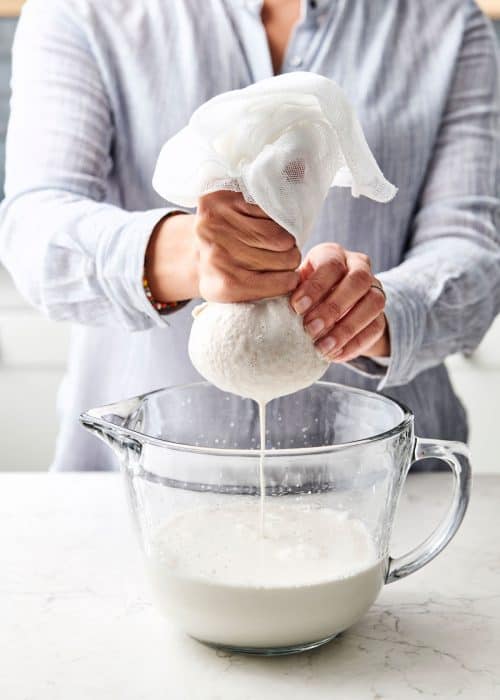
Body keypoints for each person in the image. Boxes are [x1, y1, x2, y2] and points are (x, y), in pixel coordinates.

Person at [0, 0, 499, 471]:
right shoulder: (83, 10)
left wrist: (374, 314)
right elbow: (34, 227)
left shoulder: (448, 24)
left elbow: (473, 248)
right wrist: (191, 254)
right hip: (141, 486)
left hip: (384, 494)